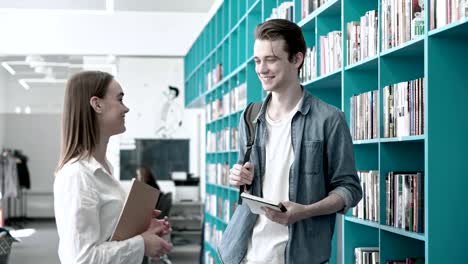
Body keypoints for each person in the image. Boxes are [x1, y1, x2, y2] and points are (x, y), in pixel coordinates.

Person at [218, 19, 363, 264]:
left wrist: (305, 212)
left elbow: (349, 189)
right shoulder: (250, 116)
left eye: (271, 59)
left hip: (301, 256)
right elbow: (246, 184)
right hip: (243, 254)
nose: (261, 69)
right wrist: (238, 178)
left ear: (297, 59)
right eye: (257, 60)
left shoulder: (329, 119)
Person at [54, 71, 173, 264]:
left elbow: (108, 238)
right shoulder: (77, 175)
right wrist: (142, 244)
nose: (126, 109)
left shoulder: (103, 168)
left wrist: (141, 228)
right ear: (97, 104)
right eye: (120, 99)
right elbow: (81, 259)